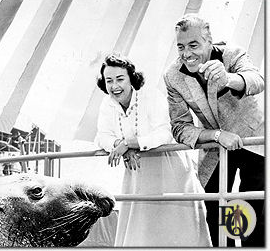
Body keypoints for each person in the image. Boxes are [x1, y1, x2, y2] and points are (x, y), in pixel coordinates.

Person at [163, 13, 264, 247]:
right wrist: (217, 135)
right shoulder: (172, 76)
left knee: (255, 209)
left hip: (253, 140)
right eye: (181, 46)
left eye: (193, 45)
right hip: (216, 146)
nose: (186, 53)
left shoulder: (232, 53)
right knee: (214, 209)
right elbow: (180, 127)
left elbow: (257, 80)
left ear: (210, 41)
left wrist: (228, 78)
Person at [95, 53, 212, 247]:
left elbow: (164, 133)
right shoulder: (108, 104)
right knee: (141, 230)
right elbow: (101, 136)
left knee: (174, 227)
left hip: (169, 169)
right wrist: (122, 147)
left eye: (120, 79)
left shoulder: (150, 96)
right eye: (109, 80)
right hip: (138, 173)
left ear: (131, 78)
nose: (114, 86)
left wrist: (131, 143)